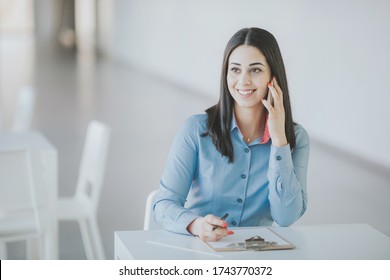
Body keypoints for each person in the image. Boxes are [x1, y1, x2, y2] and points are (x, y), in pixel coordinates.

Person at [153, 27, 310, 242]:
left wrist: (279, 141)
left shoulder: (296, 138)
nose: (243, 81)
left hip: (257, 257)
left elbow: (286, 217)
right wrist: (197, 225)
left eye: (255, 70)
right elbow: (163, 205)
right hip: (200, 251)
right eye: (235, 70)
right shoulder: (195, 130)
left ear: (272, 78)